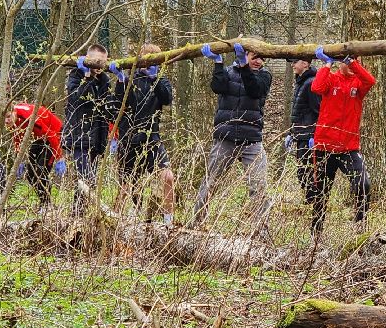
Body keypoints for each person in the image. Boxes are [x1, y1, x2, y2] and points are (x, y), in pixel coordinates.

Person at [193, 42, 272, 226]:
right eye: (255, 57)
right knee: (210, 183)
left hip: (251, 139)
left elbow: (254, 91)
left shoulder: (265, 76)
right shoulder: (228, 72)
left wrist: (245, 66)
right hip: (225, 137)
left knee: (259, 187)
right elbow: (217, 87)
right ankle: (195, 225)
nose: (258, 62)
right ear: (245, 55)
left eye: (262, 58)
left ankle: (261, 235)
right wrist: (218, 63)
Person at [307, 49, 376, 234]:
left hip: (348, 148)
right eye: (349, 61)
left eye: (356, 61)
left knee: (363, 184)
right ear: (339, 62)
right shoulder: (331, 79)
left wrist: (353, 63)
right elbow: (317, 88)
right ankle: (316, 233)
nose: (354, 65)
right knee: (321, 193)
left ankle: (359, 225)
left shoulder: (358, 83)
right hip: (324, 146)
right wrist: (328, 63)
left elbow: (371, 81)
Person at [113, 44, 176, 223]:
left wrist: (154, 78)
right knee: (126, 185)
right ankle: (115, 222)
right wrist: (120, 80)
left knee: (167, 177)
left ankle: (168, 222)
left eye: (153, 61)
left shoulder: (160, 80)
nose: (148, 65)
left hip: (152, 139)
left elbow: (166, 99)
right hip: (129, 140)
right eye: (146, 60)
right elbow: (120, 105)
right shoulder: (130, 79)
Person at [65, 44, 116, 200]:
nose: (100, 65)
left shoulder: (104, 81)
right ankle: (81, 216)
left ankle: (78, 216)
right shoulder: (75, 76)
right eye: (97, 61)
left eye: (103, 61)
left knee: (85, 182)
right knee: (87, 179)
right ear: (89, 59)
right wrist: (86, 76)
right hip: (79, 137)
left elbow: (107, 109)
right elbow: (78, 99)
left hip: (97, 138)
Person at [0, 102, 65, 207]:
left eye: (8, 117)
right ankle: (44, 201)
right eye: (3, 119)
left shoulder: (29, 117)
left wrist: (59, 158)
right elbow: (17, 137)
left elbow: (51, 135)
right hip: (40, 137)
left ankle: (47, 205)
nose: (6, 121)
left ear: (14, 112)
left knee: (41, 171)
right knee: (30, 173)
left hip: (54, 133)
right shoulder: (13, 120)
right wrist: (20, 159)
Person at [287, 55, 321, 199]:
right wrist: (291, 133)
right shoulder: (301, 82)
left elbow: (319, 111)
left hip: (309, 137)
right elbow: (298, 111)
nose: (292, 65)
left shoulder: (311, 83)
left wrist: (315, 135)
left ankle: (313, 203)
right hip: (301, 135)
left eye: (295, 62)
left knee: (308, 174)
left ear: (305, 64)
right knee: (302, 172)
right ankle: (308, 202)